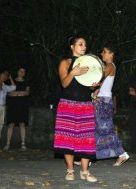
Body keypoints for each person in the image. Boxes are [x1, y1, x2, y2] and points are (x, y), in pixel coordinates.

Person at [53, 35, 97, 182]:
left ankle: (85, 171)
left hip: (85, 104)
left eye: (85, 44)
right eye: (80, 44)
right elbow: (64, 84)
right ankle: (70, 170)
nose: (84, 47)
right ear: (72, 47)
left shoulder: (89, 63)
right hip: (68, 104)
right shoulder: (65, 63)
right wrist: (73, 72)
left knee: (86, 138)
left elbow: (89, 85)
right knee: (67, 137)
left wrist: (94, 85)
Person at [93, 45, 129, 166]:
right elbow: (100, 83)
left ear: (111, 54)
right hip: (103, 100)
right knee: (97, 129)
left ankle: (122, 153)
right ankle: (89, 157)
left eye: (104, 52)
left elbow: (98, 79)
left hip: (103, 101)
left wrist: (94, 89)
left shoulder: (109, 66)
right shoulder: (108, 66)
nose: (102, 54)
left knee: (105, 129)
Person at [4, 67, 30, 151]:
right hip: (13, 105)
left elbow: (27, 92)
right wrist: (20, 93)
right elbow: (8, 93)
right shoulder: (11, 81)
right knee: (11, 124)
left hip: (22, 106)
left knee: (22, 124)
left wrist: (16, 93)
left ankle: (23, 144)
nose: (22, 72)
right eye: (20, 71)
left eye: (24, 71)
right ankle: (7, 144)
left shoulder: (26, 82)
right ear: (17, 72)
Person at [0, 70, 16, 148]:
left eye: (6, 75)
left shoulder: (5, 86)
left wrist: (10, 78)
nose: (4, 76)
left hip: (2, 108)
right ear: (0, 74)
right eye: (3, 74)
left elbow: (14, 87)